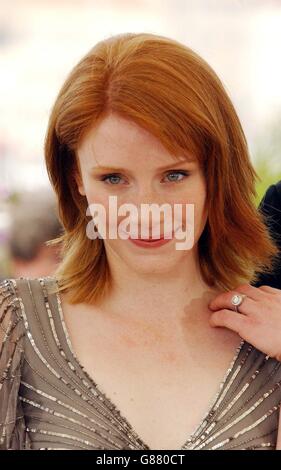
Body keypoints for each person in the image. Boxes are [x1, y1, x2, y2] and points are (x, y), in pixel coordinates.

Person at [1, 32, 281, 451]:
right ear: (75, 177)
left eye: (174, 175)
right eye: (114, 178)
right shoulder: (12, 324)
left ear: (215, 175)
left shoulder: (272, 338)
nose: (146, 209)